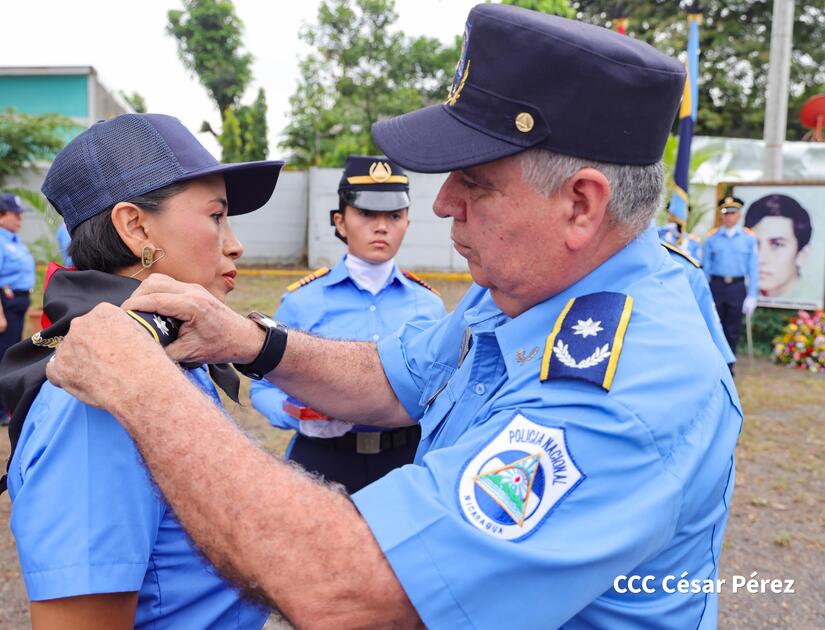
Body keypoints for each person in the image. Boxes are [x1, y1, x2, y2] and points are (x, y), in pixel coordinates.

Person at [47, 6, 743, 628]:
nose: (440, 205)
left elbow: (354, 594)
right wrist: (251, 341)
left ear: (581, 205)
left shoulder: (629, 386)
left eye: (475, 182)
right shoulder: (532, 287)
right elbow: (395, 376)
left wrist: (145, 392)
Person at [0, 113, 282, 628]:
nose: (234, 243)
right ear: (135, 227)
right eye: (217, 216)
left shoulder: (159, 348)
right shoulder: (100, 394)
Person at [250, 155, 445, 493]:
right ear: (340, 222)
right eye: (366, 213)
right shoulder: (302, 300)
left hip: (406, 459)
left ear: (407, 223)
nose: (381, 226)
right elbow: (263, 387)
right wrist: (294, 415)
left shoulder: (428, 305)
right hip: (324, 456)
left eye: (394, 216)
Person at [661, 240, 736, 368]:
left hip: (674, 365)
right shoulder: (713, 239)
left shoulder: (684, 268)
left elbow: (710, 325)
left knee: (732, 330)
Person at [704, 195, 760, 359]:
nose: (729, 216)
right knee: (715, 326)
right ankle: (715, 363)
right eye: (725, 213)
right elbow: (705, 269)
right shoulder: (712, 238)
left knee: (733, 329)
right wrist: (705, 292)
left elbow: (753, 268)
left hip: (737, 287)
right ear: (721, 215)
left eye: (732, 212)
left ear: (739, 215)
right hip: (716, 286)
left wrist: (752, 295)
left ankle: (729, 365)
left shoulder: (748, 239)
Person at [0, 193, 35, 425]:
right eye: (16, 215)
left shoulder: (13, 240)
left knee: (10, 352)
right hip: (5, 304)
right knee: (4, 356)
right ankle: (2, 410)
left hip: (17, 303)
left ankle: (6, 407)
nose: (20, 220)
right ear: (1, 216)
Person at [744, 193, 812, 299]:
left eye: (777, 244)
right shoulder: (738, 295)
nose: (760, 259)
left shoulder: (814, 299)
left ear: (801, 255)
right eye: (754, 244)